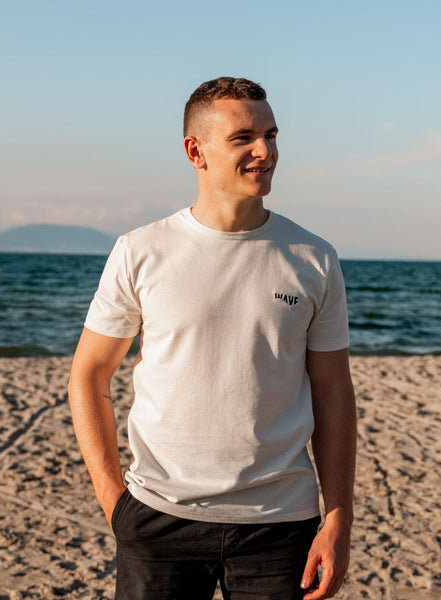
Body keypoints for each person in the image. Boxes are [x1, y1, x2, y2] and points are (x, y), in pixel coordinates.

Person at [68, 76, 356, 600]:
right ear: (195, 151)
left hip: (280, 524)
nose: (264, 151)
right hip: (158, 519)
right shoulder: (140, 251)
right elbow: (89, 374)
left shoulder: (314, 259)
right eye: (243, 137)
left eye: (271, 134)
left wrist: (338, 519)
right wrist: (114, 501)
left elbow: (333, 392)